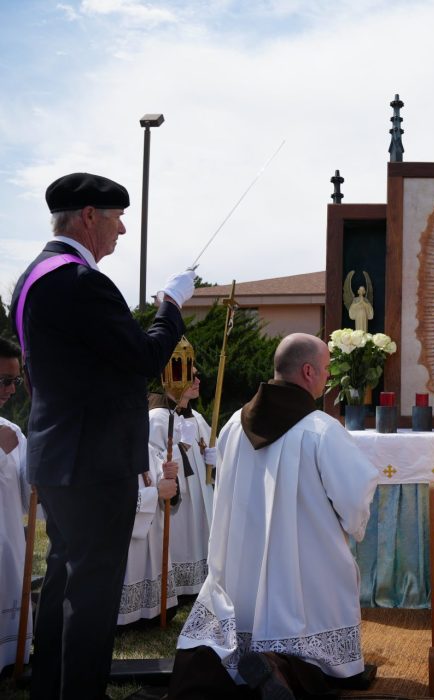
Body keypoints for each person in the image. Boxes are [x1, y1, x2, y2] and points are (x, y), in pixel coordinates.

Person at [10, 172, 195, 699]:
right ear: (88, 216)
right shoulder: (79, 281)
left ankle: (52, 688)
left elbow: (88, 364)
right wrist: (171, 306)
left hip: (63, 455)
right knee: (91, 597)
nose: (121, 229)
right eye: (115, 218)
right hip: (93, 462)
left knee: (66, 583)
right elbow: (141, 357)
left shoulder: (34, 276)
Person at [171, 333, 379, 699]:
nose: (329, 376)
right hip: (304, 565)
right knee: (332, 577)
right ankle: (291, 666)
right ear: (309, 371)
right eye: (327, 368)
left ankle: (254, 660)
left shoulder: (235, 423)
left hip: (241, 568)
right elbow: (355, 495)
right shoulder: (321, 430)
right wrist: (351, 523)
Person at [148, 367, 215, 598]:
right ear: (174, 379)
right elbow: (152, 464)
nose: (198, 380)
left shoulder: (195, 418)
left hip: (199, 494)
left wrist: (214, 459)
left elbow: (209, 454)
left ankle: (200, 583)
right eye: (191, 376)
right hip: (177, 502)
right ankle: (178, 586)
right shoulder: (157, 418)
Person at [116, 450, 179, 625]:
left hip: (154, 533)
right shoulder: (108, 448)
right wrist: (156, 492)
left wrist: (170, 477)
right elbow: (111, 501)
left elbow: (167, 494)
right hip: (123, 540)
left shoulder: (147, 449)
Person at [0, 338, 31, 673]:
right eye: (4, 381)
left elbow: (28, 499)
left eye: (15, 381)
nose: (11, 390)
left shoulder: (14, 432)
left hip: (9, 541)